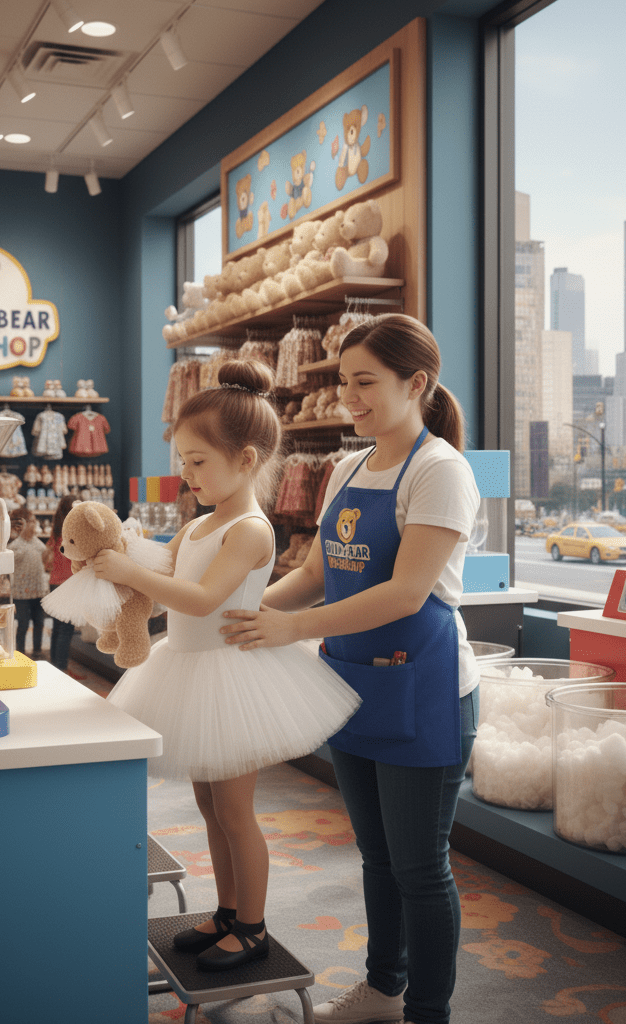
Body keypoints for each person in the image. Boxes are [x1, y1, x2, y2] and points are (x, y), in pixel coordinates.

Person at [220, 314, 480, 1023]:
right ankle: (383, 988)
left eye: (366, 383)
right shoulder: (346, 467)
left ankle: (428, 1009)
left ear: (415, 384)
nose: (349, 398)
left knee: (422, 868)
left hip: (422, 689)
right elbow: (316, 572)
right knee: (376, 857)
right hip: (354, 682)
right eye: (343, 382)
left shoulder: (442, 471)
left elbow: (405, 591)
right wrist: (240, 613)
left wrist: (291, 630)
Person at [93, 359, 361, 972]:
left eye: (198, 462)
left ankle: (254, 927)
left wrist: (133, 573)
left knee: (237, 812)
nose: (187, 476)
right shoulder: (200, 525)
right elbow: (172, 583)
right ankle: (226, 911)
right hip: (186, 668)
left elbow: (203, 599)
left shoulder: (250, 529)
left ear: (245, 459)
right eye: (182, 462)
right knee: (210, 808)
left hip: (229, 675)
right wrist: (127, 562)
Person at [43, 493, 79, 672]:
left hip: (55, 581)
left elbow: (49, 552)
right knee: (66, 629)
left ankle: (55, 666)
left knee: (58, 627)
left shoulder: (57, 529)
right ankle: (61, 669)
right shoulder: (75, 529)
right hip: (71, 583)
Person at [8, 507, 49, 657]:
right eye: (31, 521)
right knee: (23, 624)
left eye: (34, 521)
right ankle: (20, 653)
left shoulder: (38, 543)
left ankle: (37, 652)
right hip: (21, 593)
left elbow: (45, 556)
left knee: (39, 622)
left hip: (38, 591)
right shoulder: (15, 545)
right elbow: (10, 563)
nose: (33, 524)